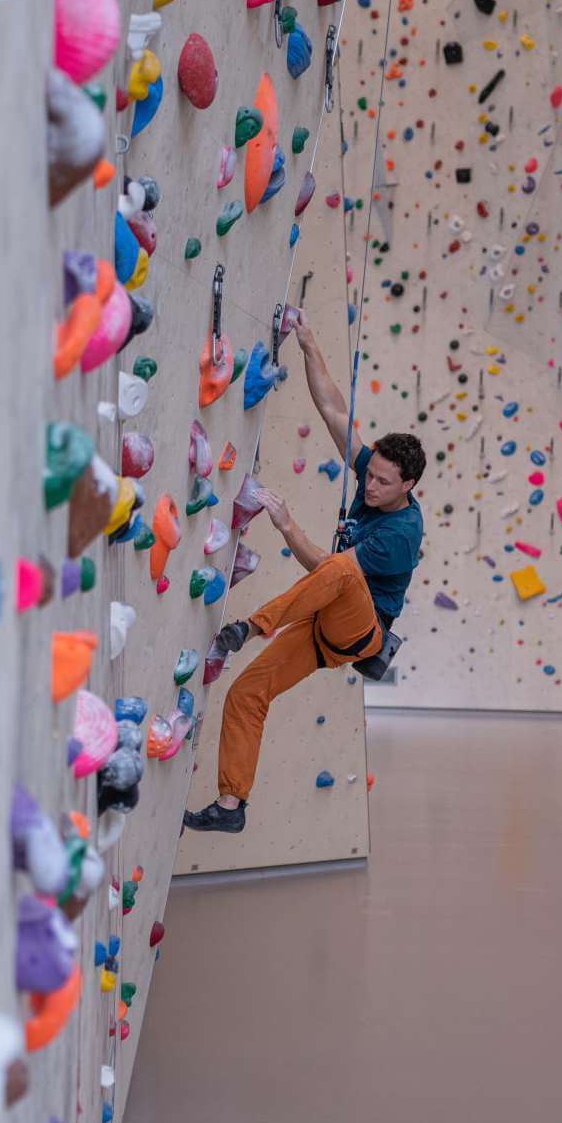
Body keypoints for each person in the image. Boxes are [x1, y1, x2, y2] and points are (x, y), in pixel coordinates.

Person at [182, 313, 425, 834]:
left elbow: (327, 569)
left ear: (408, 485)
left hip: (360, 630)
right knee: (246, 693)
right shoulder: (372, 476)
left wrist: (287, 524)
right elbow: (333, 406)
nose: (372, 486)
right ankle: (230, 806)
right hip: (322, 631)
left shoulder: (401, 532)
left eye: (383, 482)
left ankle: (249, 626)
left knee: (340, 566)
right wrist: (309, 338)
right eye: (371, 474)